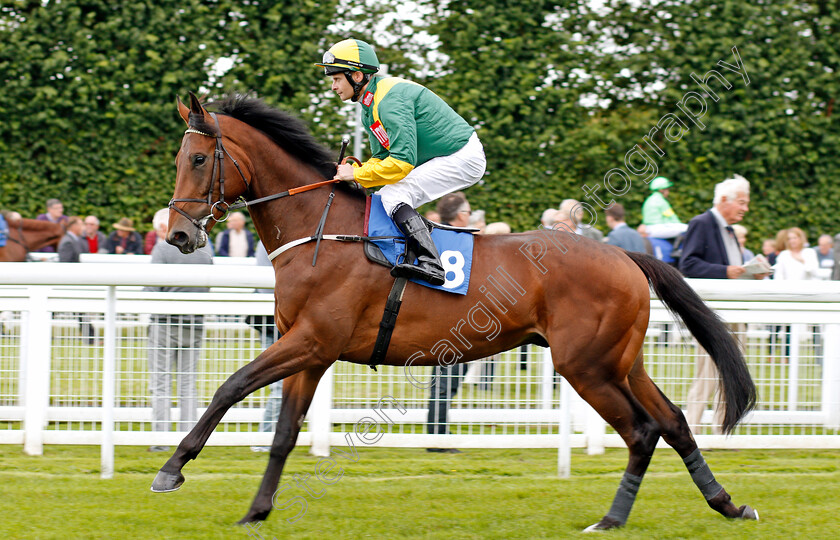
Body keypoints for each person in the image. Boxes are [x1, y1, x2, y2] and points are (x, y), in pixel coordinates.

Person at [318, 38, 486, 286]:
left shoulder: (388, 102)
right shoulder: (369, 106)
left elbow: (401, 164)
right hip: (446, 155)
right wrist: (358, 171)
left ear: (356, 76)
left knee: (394, 195)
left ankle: (432, 263)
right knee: (389, 193)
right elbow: (382, 158)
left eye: (336, 79)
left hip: (463, 156)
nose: (332, 87)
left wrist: (356, 175)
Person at [678, 174, 765, 434]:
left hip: (734, 310)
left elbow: (731, 269)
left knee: (732, 373)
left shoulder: (729, 230)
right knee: (707, 372)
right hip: (713, 313)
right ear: (724, 200)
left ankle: (722, 430)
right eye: (742, 202)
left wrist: (751, 272)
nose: (745, 208)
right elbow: (688, 265)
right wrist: (726, 270)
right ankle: (691, 429)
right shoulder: (701, 223)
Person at [146, 224, 213, 451]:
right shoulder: (204, 251)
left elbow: (151, 289)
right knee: (188, 383)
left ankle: (160, 441)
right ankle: (187, 438)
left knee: (161, 382)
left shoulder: (162, 249)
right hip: (194, 322)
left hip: (165, 323)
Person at [424, 192, 473, 452]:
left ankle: (438, 430)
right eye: (469, 212)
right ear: (462, 215)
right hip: (454, 320)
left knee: (446, 381)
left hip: (440, 316)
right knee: (446, 381)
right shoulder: (464, 240)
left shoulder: (431, 233)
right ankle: (437, 435)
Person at [248, 241, 282, 452]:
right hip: (273, 315)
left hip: (271, 313)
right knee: (280, 384)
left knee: (280, 384)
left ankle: (268, 437)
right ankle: (264, 439)